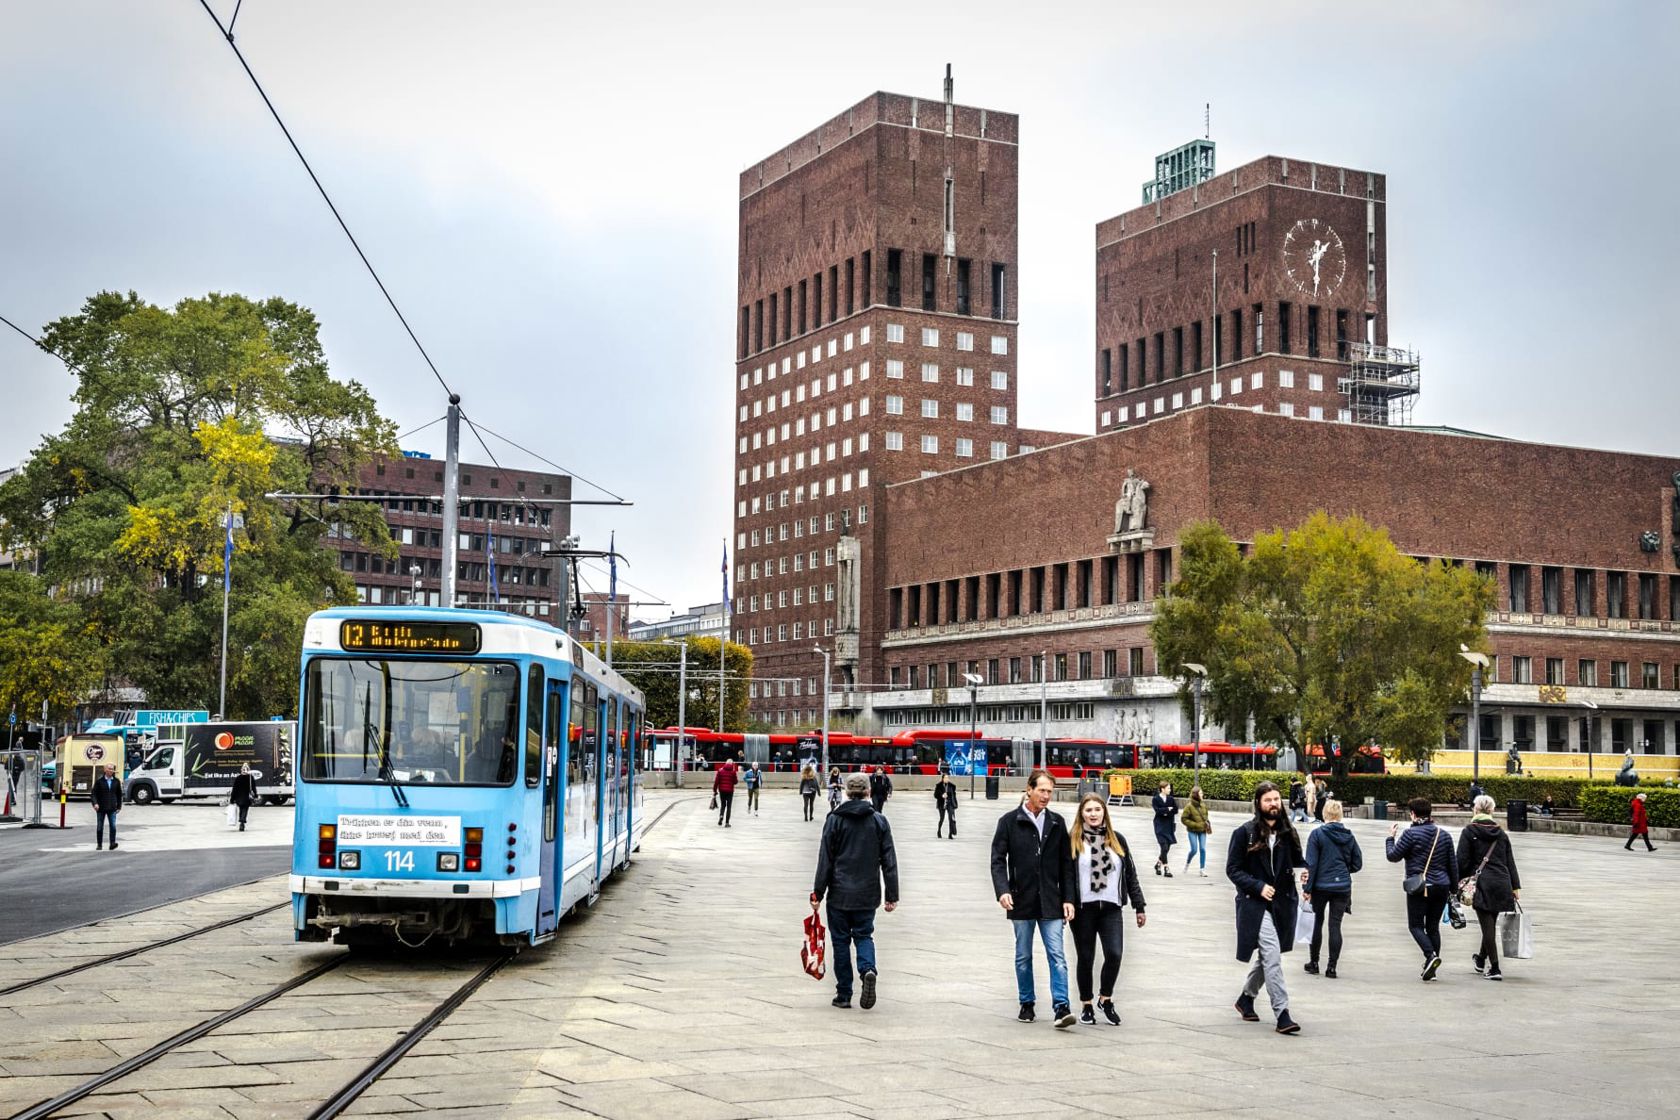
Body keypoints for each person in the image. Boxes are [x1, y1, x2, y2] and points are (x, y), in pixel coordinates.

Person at [990, 770, 1078, 1028]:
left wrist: (1068, 898)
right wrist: (1002, 890)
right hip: (1021, 898)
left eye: (1050, 791)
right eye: (1042, 790)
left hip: (1051, 899)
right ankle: (1026, 1002)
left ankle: (1061, 1006)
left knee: (1057, 955)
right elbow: (997, 860)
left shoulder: (1056, 822)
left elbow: (1066, 864)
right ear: (1029, 789)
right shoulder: (1009, 821)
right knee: (1023, 955)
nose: (1046, 796)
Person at [812, 772, 899, 1009]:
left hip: (839, 893)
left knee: (840, 942)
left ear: (847, 792)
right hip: (867, 893)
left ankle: (844, 994)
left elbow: (825, 859)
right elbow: (889, 860)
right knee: (863, 935)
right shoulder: (879, 821)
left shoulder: (834, 819)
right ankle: (868, 969)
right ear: (869, 792)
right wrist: (892, 895)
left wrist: (817, 893)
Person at [1227, 781, 1306, 1034]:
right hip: (1254, 905)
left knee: (1269, 955)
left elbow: (1298, 861)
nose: (1273, 804)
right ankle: (1282, 1013)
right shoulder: (1245, 833)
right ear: (1258, 804)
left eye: (1276, 799)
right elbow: (1233, 870)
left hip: (1282, 904)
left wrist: (1306, 873)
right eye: (1268, 800)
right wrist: (1258, 886)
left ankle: (1246, 998)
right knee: (1272, 956)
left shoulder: (1287, 832)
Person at [1069, 794, 1146, 1025]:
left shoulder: (1117, 839)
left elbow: (1130, 874)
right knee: (1086, 957)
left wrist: (1139, 905)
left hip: (1111, 907)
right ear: (1081, 813)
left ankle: (1106, 997)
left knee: (1115, 953)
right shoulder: (1073, 839)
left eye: (1097, 810)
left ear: (1104, 812)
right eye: (1088, 810)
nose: (1093, 814)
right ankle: (1086, 1003)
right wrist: (1065, 902)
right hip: (1084, 909)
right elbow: (1064, 874)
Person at [1385, 797, 1460, 981]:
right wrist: (1454, 889)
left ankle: (1430, 956)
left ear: (1413, 814)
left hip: (1420, 887)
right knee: (1433, 927)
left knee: (1416, 926)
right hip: (1442, 886)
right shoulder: (1444, 835)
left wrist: (1390, 838)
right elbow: (1453, 865)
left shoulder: (1410, 835)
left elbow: (1393, 856)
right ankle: (1431, 967)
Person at [1456, 794, 1521, 981]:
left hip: (1482, 883)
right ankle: (1481, 958)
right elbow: (1510, 861)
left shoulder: (1469, 831)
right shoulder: (1501, 833)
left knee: (1488, 928)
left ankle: (1495, 967)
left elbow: (1461, 860)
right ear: (1492, 811)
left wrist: (1457, 883)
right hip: (1502, 882)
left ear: (1475, 810)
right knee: (1489, 923)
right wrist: (1515, 887)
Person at [1302, 799, 1362, 978]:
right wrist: (1344, 871)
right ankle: (1332, 967)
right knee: (1335, 925)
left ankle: (1314, 962)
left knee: (1317, 923)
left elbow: (1311, 864)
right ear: (1340, 815)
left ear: (1324, 814)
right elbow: (1357, 863)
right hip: (1342, 886)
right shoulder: (1349, 836)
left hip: (1320, 886)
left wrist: (1307, 887)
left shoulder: (1317, 835)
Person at [1181, 786, 1212, 877]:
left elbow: (1205, 816)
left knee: (1202, 849)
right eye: (1201, 793)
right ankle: (1187, 863)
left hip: (1202, 831)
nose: (1202, 795)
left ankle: (1202, 869)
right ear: (1196, 795)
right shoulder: (1189, 806)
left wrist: (1206, 823)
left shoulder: (1203, 805)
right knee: (1194, 850)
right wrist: (1195, 825)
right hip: (1192, 831)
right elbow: (1183, 819)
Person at [91, 764, 123, 851]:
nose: (111, 770)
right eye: (109, 769)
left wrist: (119, 806)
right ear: (105, 770)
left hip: (112, 807)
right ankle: (99, 844)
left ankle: (112, 843)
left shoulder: (116, 781)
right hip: (101, 808)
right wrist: (95, 804)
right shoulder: (99, 782)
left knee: (113, 826)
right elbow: (93, 794)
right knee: (100, 826)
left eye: (112, 769)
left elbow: (119, 795)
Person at [1151, 782, 1178, 877]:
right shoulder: (1156, 799)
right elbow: (1157, 811)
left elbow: (1175, 810)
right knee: (1164, 846)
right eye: (1168, 788)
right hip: (1159, 826)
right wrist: (1167, 809)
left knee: (1167, 847)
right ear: (1162, 789)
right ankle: (1166, 868)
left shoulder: (1171, 799)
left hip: (1169, 825)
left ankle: (1158, 864)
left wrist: (1166, 811)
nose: (1170, 790)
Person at [712, 756, 739, 827]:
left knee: (723, 805)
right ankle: (727, 823)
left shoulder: (720, 770)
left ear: (726, 763)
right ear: (732, 764)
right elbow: (735, 782)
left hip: (722, 790)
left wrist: (714, 790)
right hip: (730, 791)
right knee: (729, 806)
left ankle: (721, 816)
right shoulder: (733, 772)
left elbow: (716, 782)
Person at [230, 763, 258, 832]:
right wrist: (255, 795)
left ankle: (241, 821)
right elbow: (253, 788)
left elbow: (234, 789)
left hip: (238, 798)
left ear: (241, 770)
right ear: (248, 770)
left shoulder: (238, 778)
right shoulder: (250, 778)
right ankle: (242, 822)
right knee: (245, 809)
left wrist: (232, 799)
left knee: (241, 809)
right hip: (247, 797)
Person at [934, 772, 958, 838]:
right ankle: (939, 831)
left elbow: (954, 795)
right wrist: (942, 795)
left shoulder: (951, 786)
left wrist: (955, 804)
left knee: (951, 818)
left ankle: (950, 834)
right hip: (941, 804)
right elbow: (935, 795)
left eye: (948, 778)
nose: (947, 779)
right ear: (942, 779)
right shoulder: (938, 785)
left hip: (949, 803)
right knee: (942, 818)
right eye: (945, 778)